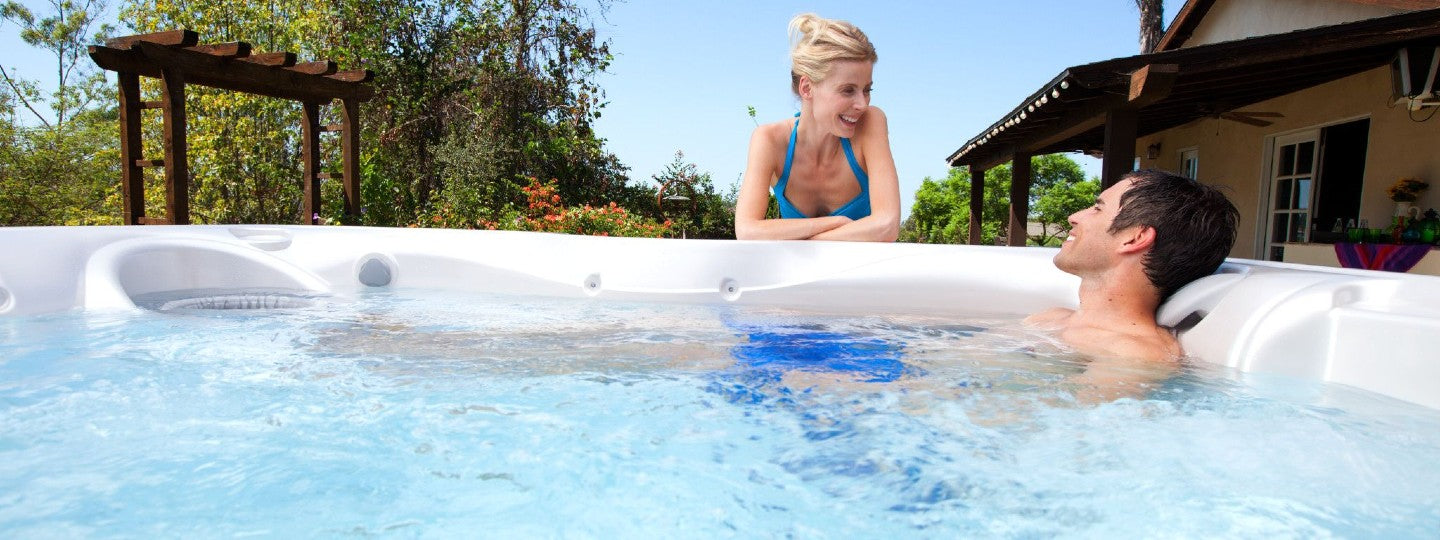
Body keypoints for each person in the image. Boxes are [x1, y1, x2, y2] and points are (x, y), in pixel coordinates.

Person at [1025, 169, 1239, 364]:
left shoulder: (1133, 353)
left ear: (1134, 238)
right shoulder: (1051, 318)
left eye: (1098, 209)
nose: (1074, 217)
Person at [734, 13, 901, 241]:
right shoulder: (769, 140)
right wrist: (837, 224)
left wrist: (805, 242)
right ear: (807, 88)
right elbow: (746, 230)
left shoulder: (870, 124)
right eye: (848, 90)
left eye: (867, 89)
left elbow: (887, 226)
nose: (862, 104)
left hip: (861, 277)